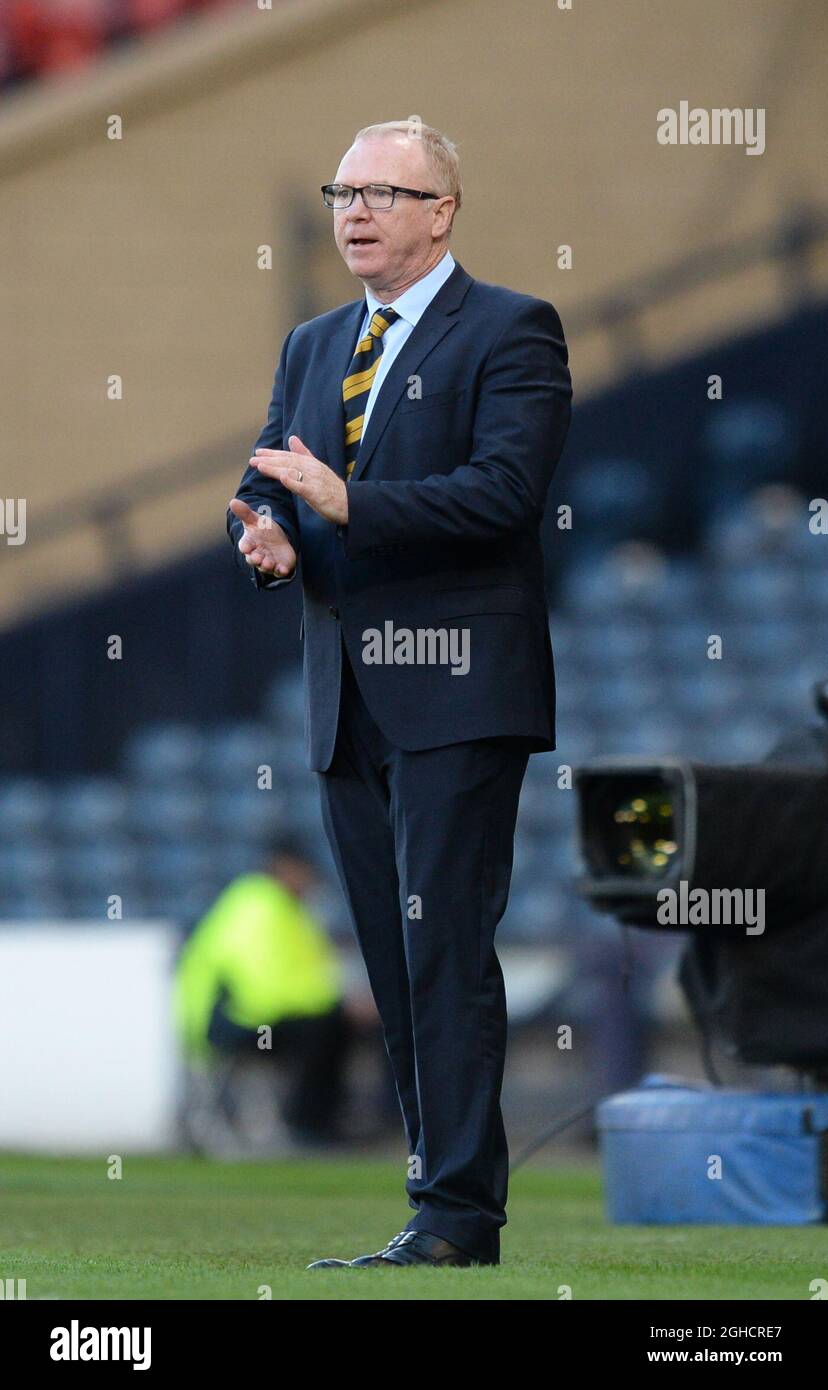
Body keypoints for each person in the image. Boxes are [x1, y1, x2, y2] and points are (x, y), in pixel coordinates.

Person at [228, 120, 572, 1267]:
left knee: (443, 949)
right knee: (387, 951)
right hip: (346, 695)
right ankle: (434, 1199)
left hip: (461, 689)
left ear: (443, 212)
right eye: (343, 189)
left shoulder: (514, 328)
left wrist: (342, 503)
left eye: (386, 190)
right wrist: (270, 531)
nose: (356, 209)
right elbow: (268, 480)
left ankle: (460, 1217)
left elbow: (504, 495)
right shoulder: (315, 341)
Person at [174, 839, 350, 1148]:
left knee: (336, 1024)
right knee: (326, 1027)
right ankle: (307, 1127)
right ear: (284, 868)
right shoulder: (260, 906)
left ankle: (320, 1124)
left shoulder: (280, 906)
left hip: (250, 1015)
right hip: (233, 1022)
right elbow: (263, 987)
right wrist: (335, 1004)